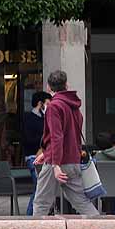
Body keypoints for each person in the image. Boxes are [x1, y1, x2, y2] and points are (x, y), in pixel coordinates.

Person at [31, 71, 99, 218]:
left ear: (48, 87)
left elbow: (57, 137)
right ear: (66, 85)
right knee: (81, 201)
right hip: (73, 160)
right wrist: (46, 153)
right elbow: (70, 135)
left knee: (41, 203)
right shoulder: (74, 106)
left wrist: (55, 164)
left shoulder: (54, 107)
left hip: (57, 163)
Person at [22, 91, 52, 215]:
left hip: (44, 156)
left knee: (42, 187)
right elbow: (28, 139)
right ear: (41, 104)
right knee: (39, 186)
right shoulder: (29, 118)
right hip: (33, 156)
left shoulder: (45, 117)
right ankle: (31, 215)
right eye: (48, 103)